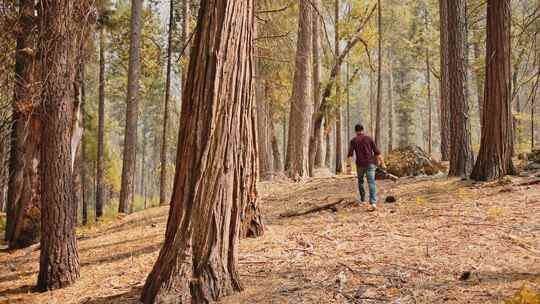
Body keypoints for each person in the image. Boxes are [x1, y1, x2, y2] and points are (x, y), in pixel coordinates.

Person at [346, 124, 385, 211]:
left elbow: (350, 155)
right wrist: (383, 163)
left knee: (360, 181)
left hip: (360, 164)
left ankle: (363, 199)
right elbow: (377, 152)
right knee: (371, 182)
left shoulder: (354, 140)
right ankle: (373, 202)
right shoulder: (369, 138)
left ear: (355, 131)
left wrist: (348, 167)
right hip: (370, 163)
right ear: (363, 130)